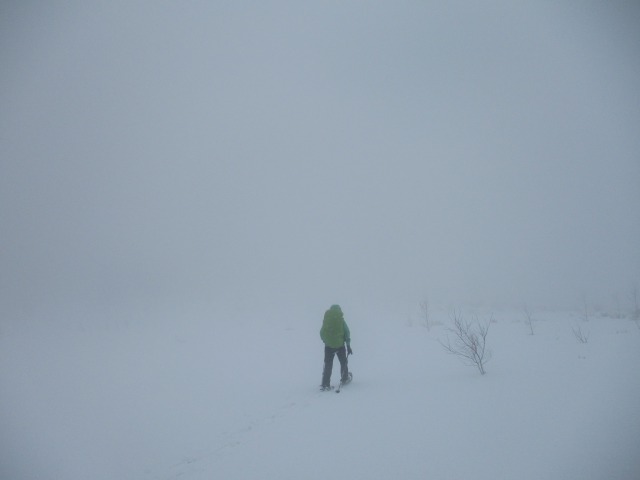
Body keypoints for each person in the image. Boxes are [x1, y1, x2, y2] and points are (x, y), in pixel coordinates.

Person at [319, 304, 353, 390]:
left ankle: (325, 384)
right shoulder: (341, 320)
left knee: (328, 364)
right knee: (343, 362)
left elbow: (322, 332)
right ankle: (344, 378)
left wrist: (326, 341)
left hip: (328, 347)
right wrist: (348, 345)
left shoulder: (327, 320)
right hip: (340, 346)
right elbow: (347, 332)